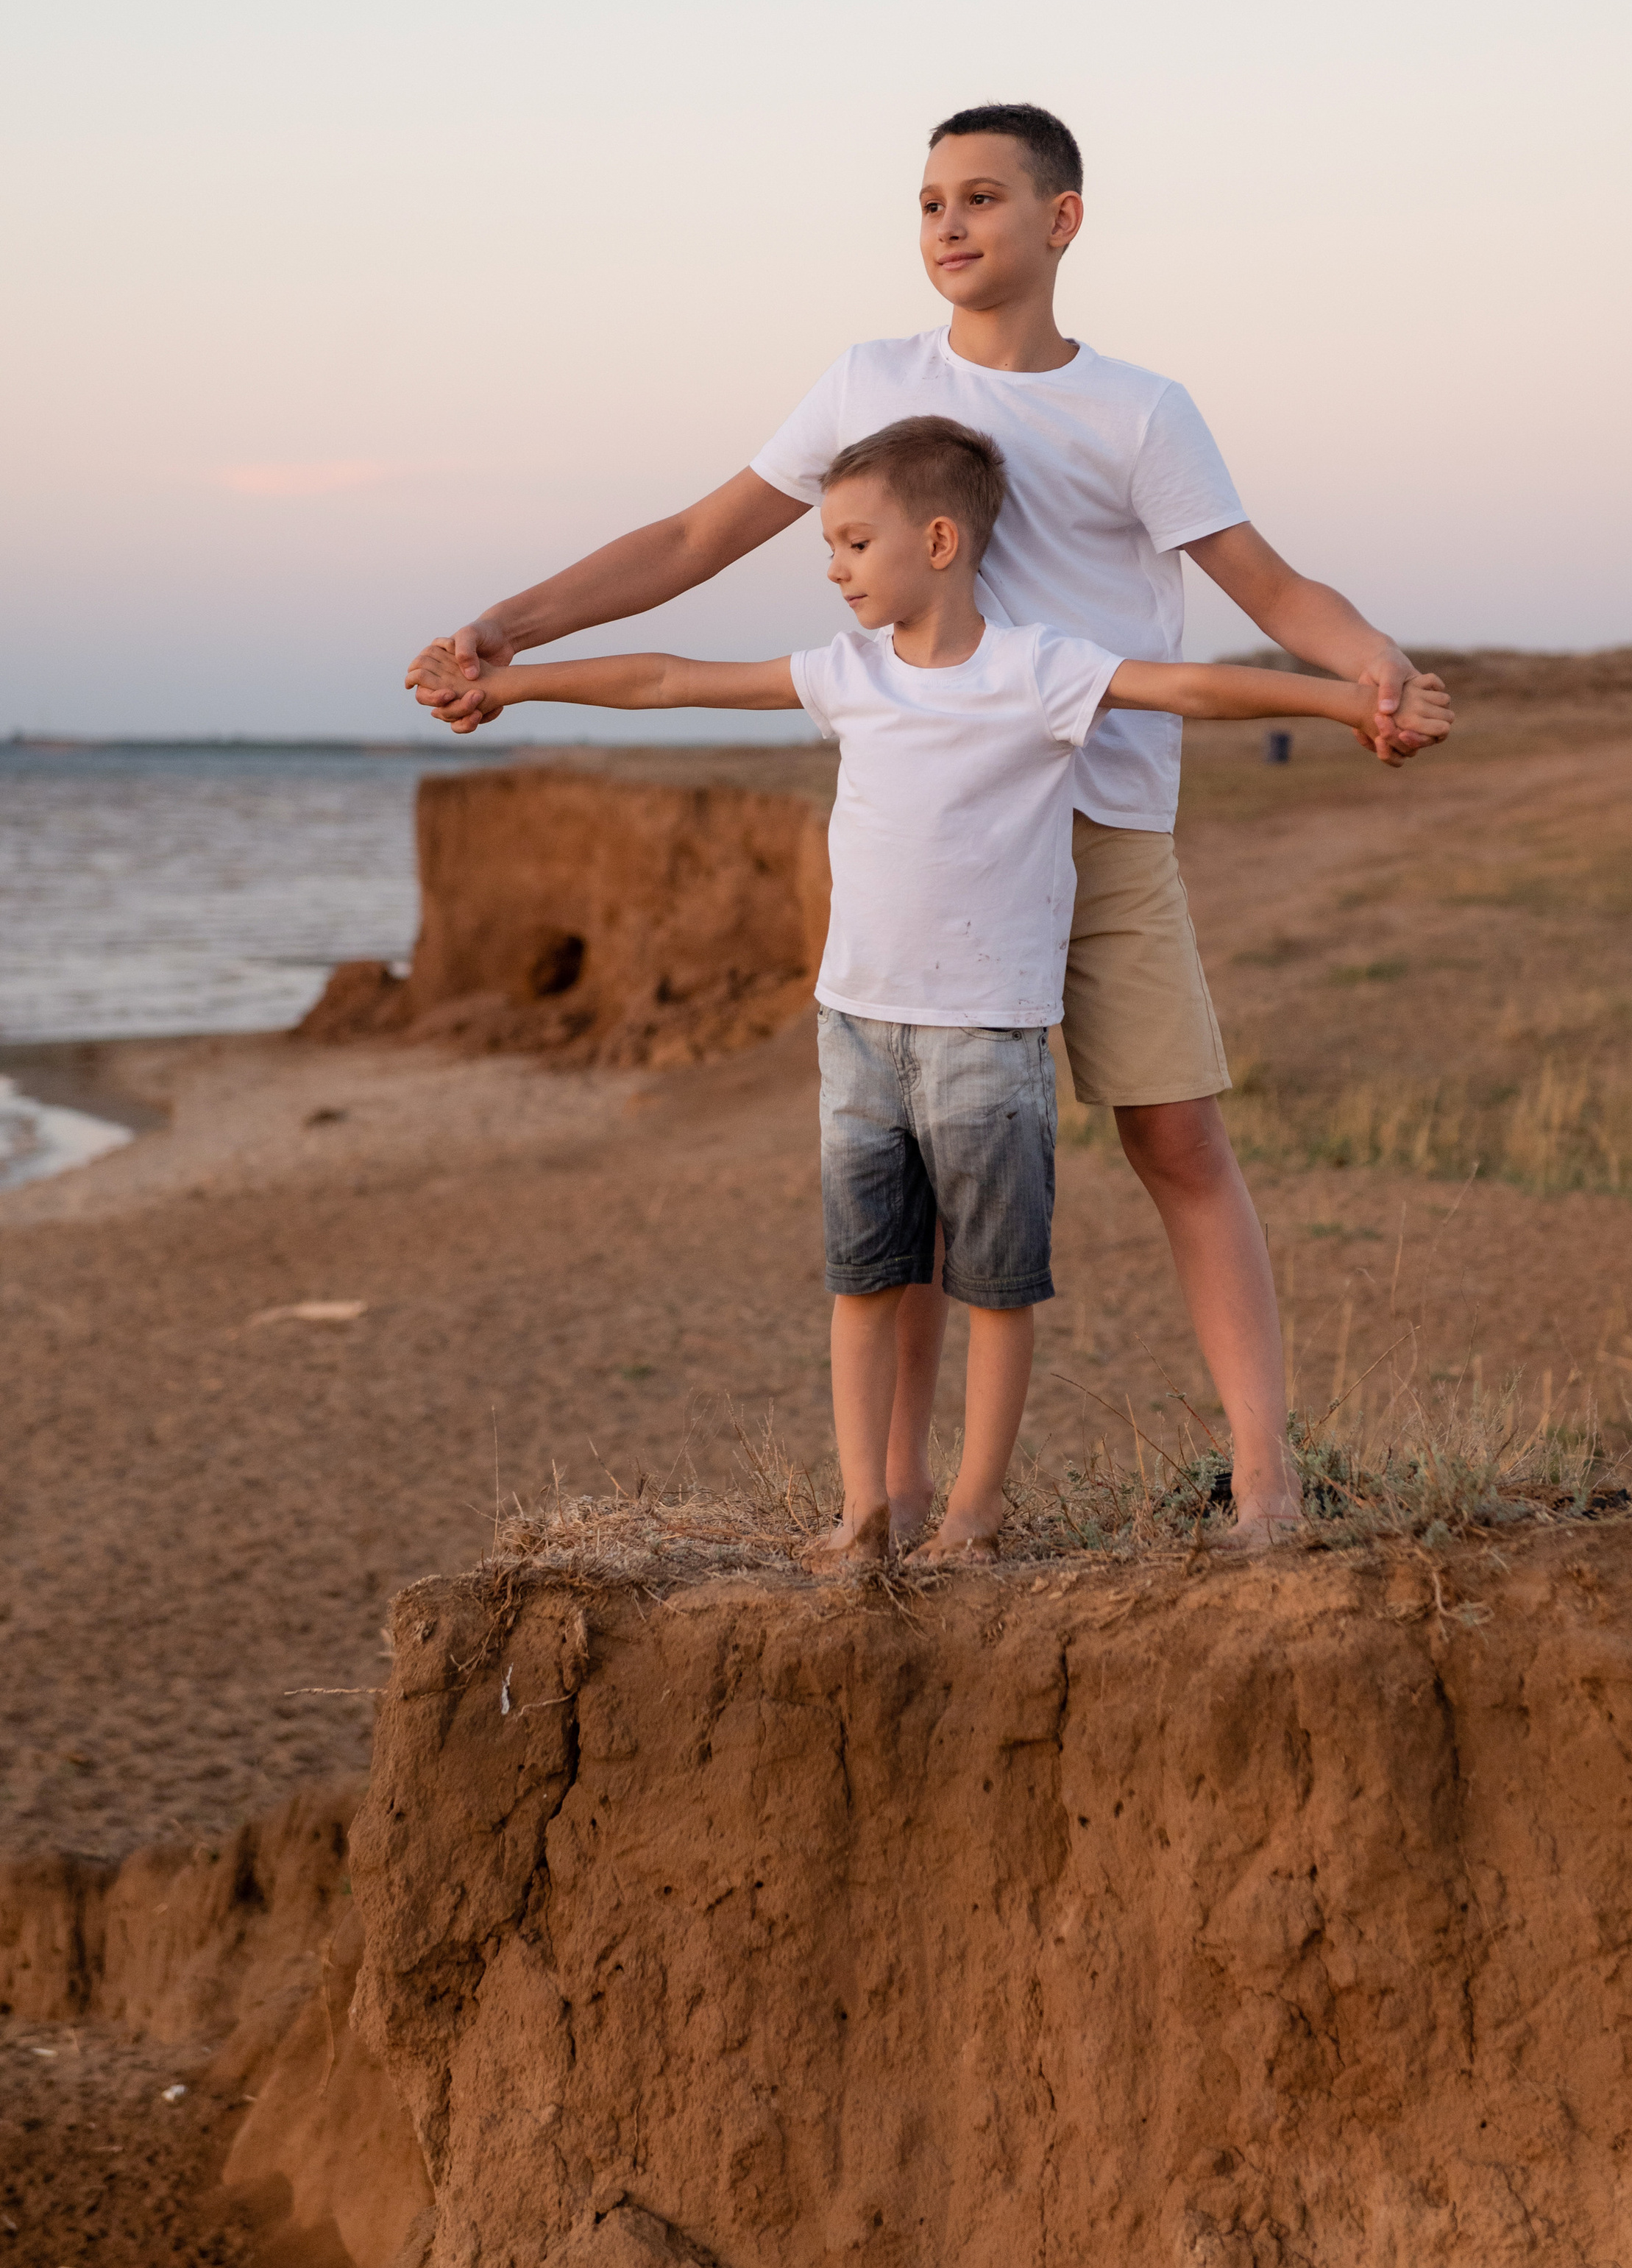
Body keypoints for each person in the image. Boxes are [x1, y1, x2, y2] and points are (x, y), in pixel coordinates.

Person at [408, 100, 1444, 1541]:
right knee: (913, 1193)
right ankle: (892, 1498)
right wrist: (500, 634)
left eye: (979, 199)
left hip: (1099, 829)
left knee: (1176, 1142)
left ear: (1059, 221)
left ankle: (1264, 1474)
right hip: (941, 858)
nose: (946, 227)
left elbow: (1268, 592)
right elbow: (693, 541)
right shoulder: (867, 383)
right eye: (926, 203)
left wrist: (1370, 673)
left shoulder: (1139, 411)